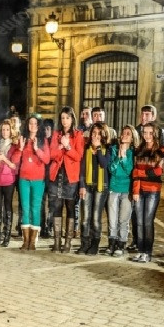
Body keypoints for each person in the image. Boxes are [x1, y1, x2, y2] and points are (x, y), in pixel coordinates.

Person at [47, 107, 84, 253]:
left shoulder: (78, 135)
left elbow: (78, 156)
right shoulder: (56, 134)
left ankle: (67, 242)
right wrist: (61, 145)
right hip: (57, 175)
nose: (64, 121)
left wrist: (67, 146)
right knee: (56, 207)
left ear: (72, 119)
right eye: (62, 118)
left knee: (70, 207)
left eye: (67, 118)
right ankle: (56, 242)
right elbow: (51, 154)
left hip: (70, 177)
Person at [131, 123, 164, 263]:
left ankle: (147, 252)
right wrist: (135, 190)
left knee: (147, 221)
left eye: (150, 133)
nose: (147, 135)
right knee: (139, 222)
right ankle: (140, 250)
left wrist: (141, 172)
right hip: (139, 189)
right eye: (145, 132)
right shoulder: (139, 149)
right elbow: (134, 173)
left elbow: (158, 172)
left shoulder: (161, 150)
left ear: (155, 134)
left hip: (153, 190)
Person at [18, 114, 51, 251]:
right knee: (25, 208)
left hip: (38, 179)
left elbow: (47, 159)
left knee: (35, 208)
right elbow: (15, 159)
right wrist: (20, 148)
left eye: (35, 124)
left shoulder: (43, 141)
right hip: (24, 179)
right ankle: (25, 241)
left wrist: (37, 149)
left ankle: (32, 242)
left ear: (38, 126)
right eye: (30, 123)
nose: (32, 126)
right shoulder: (23, 139)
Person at [77, 123, 110, 255]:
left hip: (101, 187)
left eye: (98, 134)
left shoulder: (107, 148)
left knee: (96, 217)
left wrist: (97, 150)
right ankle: (84, 243)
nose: (95, 136)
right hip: (88, 185)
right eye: (93, 133)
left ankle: (95, 244)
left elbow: (103, 164)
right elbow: (82, 169)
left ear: (103, 135)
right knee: (85, 217)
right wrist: (82, 185)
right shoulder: (86, 148)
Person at [106, 125, 138, 257]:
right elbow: (111, 169)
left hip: (126, 190)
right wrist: (118, 157)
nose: (124, 135)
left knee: (123, 220)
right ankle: (111, 243)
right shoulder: (113, 150)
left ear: (132, 138)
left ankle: (121, 244)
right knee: (112, 219)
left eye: (128, 134)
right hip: (114, 188)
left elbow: (129, 170)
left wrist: (124, 157)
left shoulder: (133, 152)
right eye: (123, 133)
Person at [0, 120, 21, 247]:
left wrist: (4, 159)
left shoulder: (15, 146)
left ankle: (7, 236)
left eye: (7, 129)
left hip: (9, 180)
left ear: (11, 131)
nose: (5, 132)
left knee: (8, 207)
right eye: (3, 129)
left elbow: (15, 165)